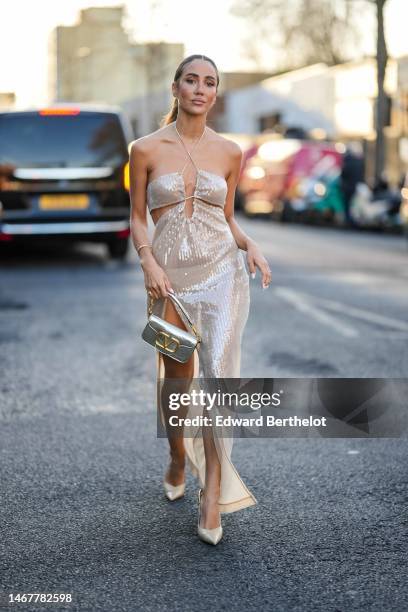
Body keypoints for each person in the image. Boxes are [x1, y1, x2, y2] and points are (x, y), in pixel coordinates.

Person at [129, 54, 272, 545]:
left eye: (209, 82)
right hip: (166, 281)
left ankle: (212, 494)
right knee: (177, 377)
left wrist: (249, 243)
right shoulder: (144, 149)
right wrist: (148, 261)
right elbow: (138, 218)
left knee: (219, 380)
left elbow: (228, 217)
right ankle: (175, 455)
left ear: (215, 94)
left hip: (223, 277)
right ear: (176, 87)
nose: (199, 89)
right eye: (191, 80)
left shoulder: (231, 152)